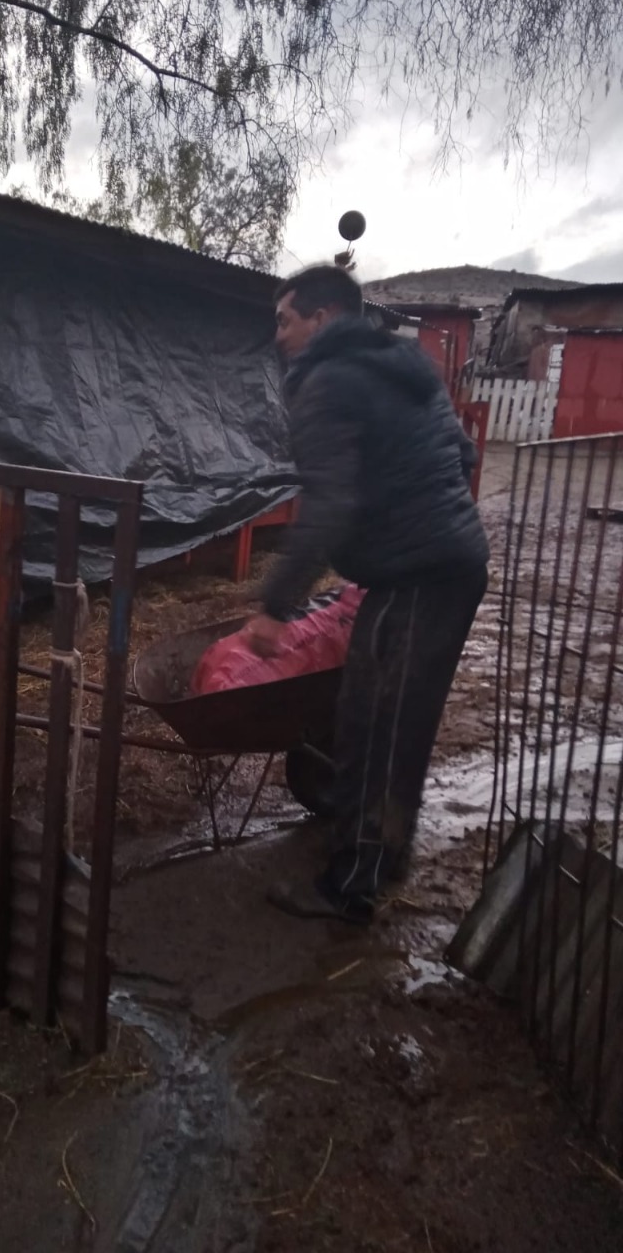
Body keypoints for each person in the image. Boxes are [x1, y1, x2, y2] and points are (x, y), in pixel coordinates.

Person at [246, 266, 489, 924]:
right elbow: (463, 457)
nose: (278, 335)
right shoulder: (404, 367)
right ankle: (386, 855)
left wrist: (275, 605)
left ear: (322, 319)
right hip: (446, 567)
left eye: (285, 320)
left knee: (372, 728)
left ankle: (349, 887)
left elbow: (328, 504)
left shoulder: (328, 381)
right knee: (399, 723)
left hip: (418, 576)